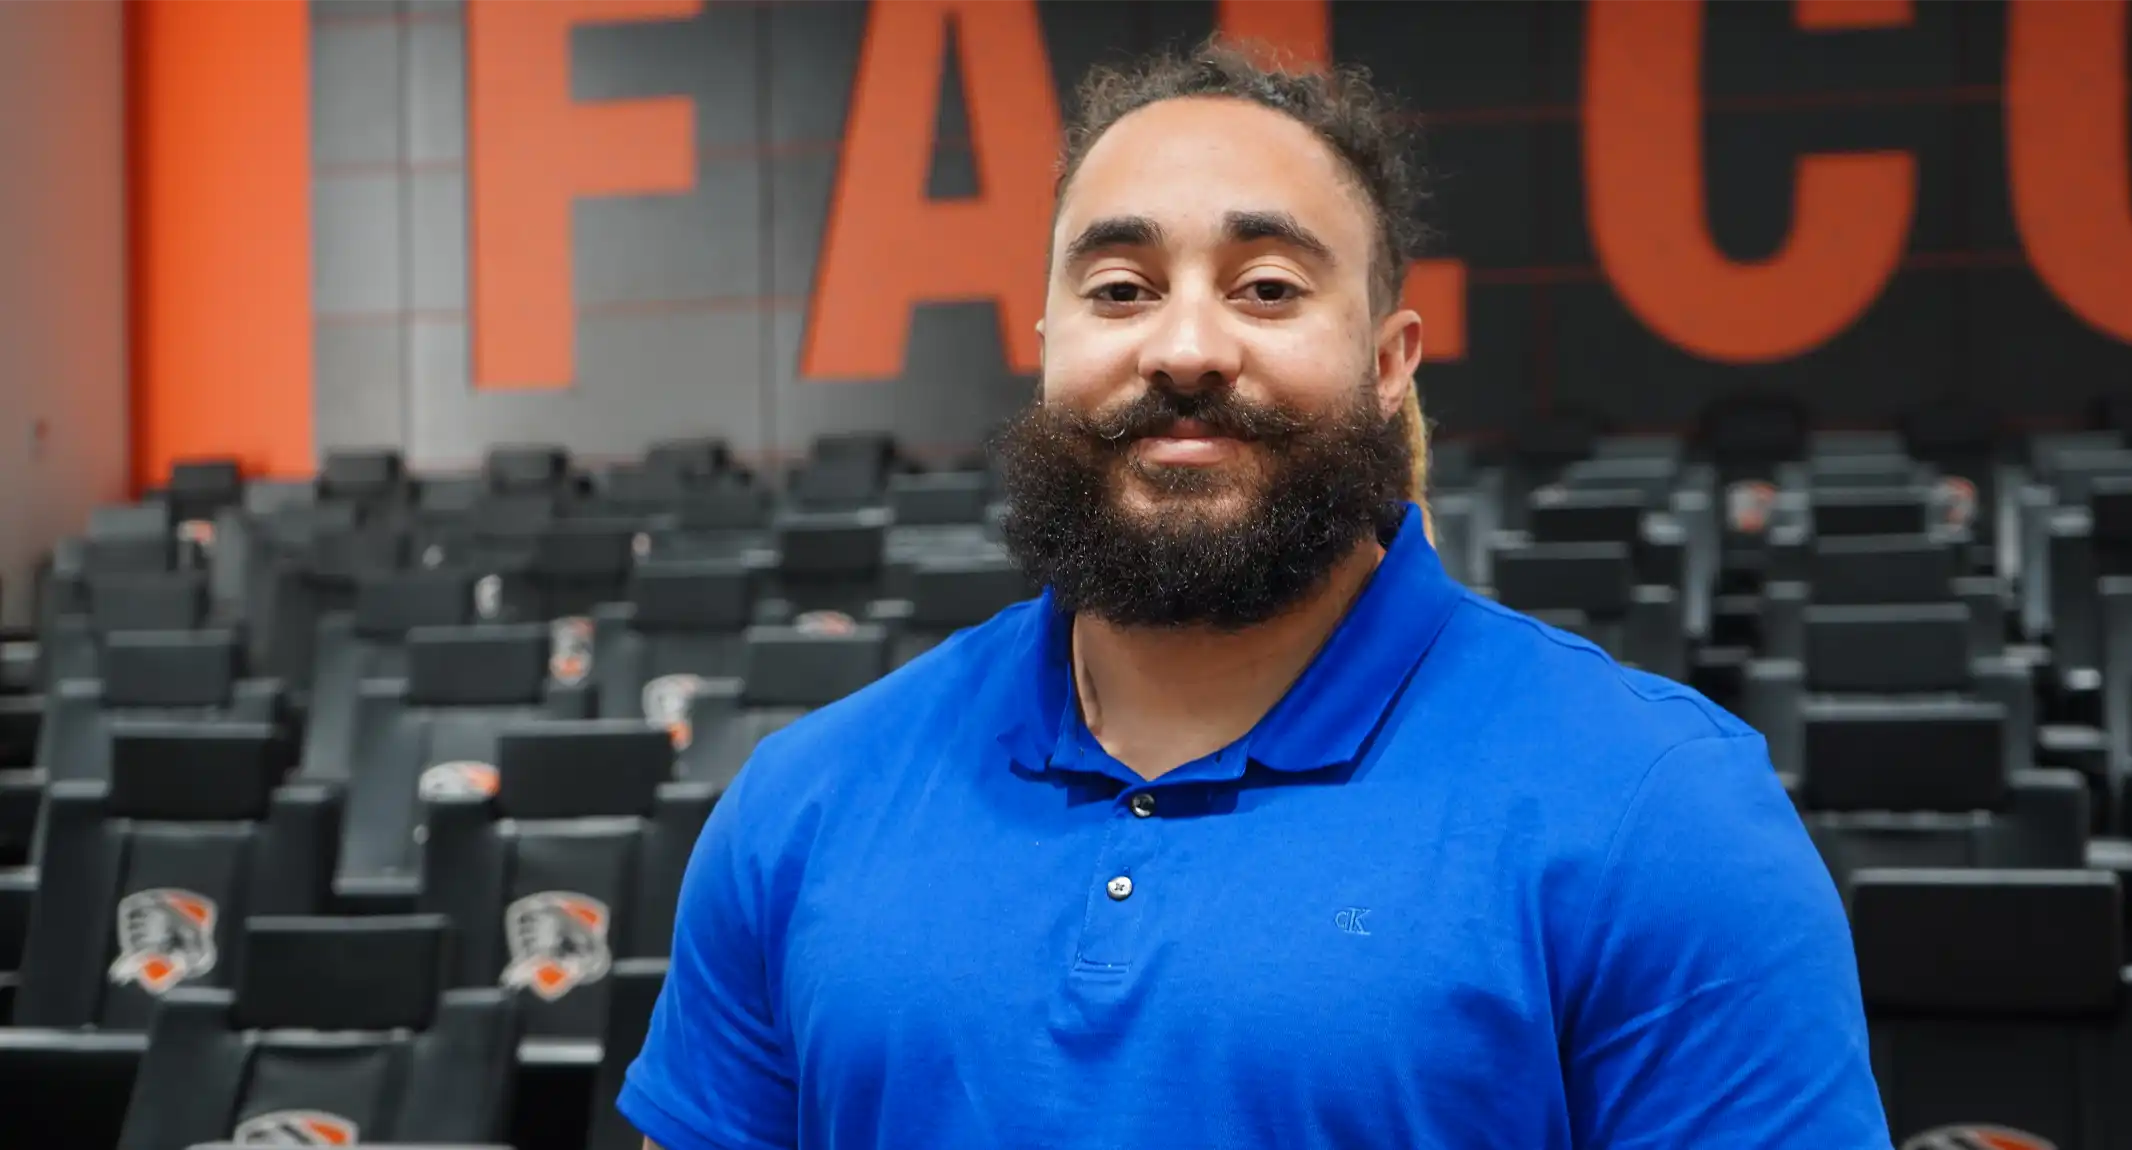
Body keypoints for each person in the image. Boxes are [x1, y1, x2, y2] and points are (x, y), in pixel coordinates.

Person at [619, 39, 1890, 1150]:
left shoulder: (1660, 813)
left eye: (1266, 287)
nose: (1182, 347)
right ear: (1045, 339)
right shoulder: (802, 804)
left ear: (1388, 363)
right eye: (1119, 289)